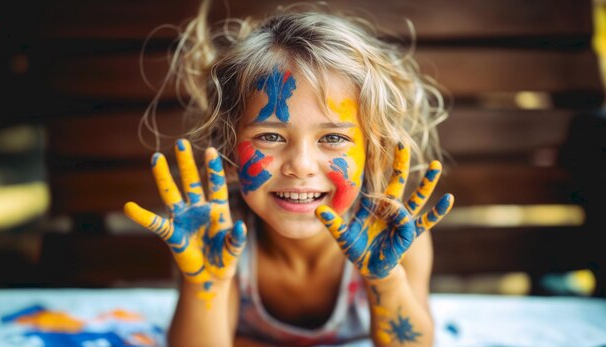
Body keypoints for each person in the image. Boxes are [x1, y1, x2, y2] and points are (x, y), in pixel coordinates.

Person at [124, 0, 454, 346]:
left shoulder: (391, 236)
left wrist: (386, 280)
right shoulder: (217, 235)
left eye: (333, 138)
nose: (300, 165)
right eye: (270, 136)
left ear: (375, 150)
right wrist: (207, 285)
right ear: (228, 148)